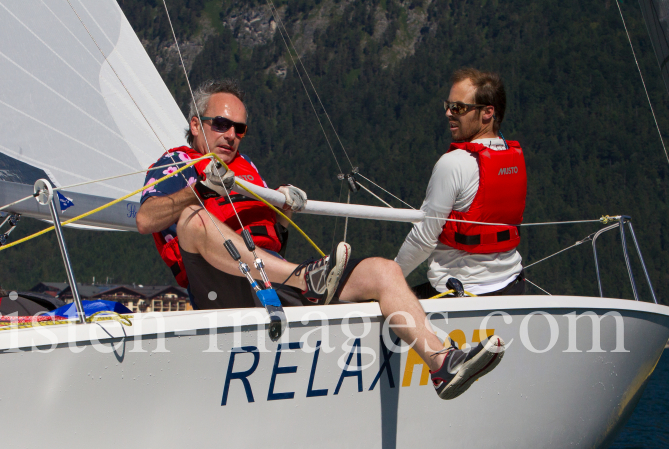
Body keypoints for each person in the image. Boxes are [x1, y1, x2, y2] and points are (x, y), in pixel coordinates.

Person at [136, 79, 504, 399]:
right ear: (196, 125)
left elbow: (271, 235)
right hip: (222, 287)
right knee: (192, 219)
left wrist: (283, 208)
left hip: (271, 280)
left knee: (383, 271)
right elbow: (145, 219)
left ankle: (442, 362)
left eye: (240, 129)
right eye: (221, 125)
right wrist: (198, 187)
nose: (231, 135)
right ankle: (306, 279)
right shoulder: (175, 163)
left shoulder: (247, 171)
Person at [396, 68, 527, 298]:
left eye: (458, 108)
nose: (448, 113)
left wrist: (390, 278)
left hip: (461, 294)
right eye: (447, 105)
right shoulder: (511, 156)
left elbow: (423, 239)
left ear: (488, 112)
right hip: (512, 285)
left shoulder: (453, 163)